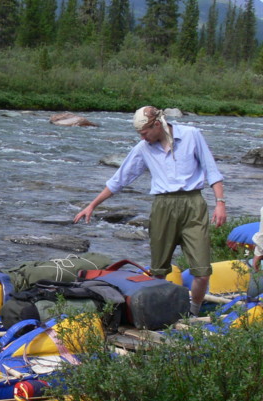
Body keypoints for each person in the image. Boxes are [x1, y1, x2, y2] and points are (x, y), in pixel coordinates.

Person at [73, 106, 226, 316]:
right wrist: (92, 205)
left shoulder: (191, 135)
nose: (142, 138)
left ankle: (194, 312)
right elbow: (120, 179)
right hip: (163, 206)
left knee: (202, 271)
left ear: (157, 124)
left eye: (144, 133)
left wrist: (220, 203)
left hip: (193, 204)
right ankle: (158, 313)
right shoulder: (143, 148)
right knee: (158, 270)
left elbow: (211, 170)